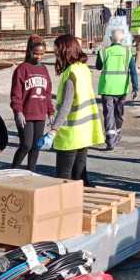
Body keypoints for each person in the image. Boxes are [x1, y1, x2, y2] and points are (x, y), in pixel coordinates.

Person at [44, 33, 105, 183]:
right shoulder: (82, 69)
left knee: (64, 177)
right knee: (79, 175)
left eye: (57, 51)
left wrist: (53, 130)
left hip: (70, 134)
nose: (56, 55)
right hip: (84, 131)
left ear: (65, 51)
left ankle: (69, 198)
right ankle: (83, 195)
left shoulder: (70, 73)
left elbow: (66, 105)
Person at [10, 35, 54, 171]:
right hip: (25, 115)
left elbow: (47, 93)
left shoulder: (44, 69)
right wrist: (18, 112)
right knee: (26, 145)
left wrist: (50, 112)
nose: (39, 57)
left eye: (42, 54)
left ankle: (31, 170)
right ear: (29, 51)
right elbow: (16, 94)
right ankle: (13, 169)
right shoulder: (22, 69)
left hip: (40, 114)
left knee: (36, 146)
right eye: (36, 53)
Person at [96, 27, 139, 150]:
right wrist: (135, 88)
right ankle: (118, 133)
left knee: (108, 114)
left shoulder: (104, 52)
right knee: (118, 113)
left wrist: (99, 53)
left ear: (110, 39)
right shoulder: (128, 53)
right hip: (121, 89)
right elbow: (133, 72)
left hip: (107, 88)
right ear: (123, 39)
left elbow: (98, 66)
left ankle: (110, 140)